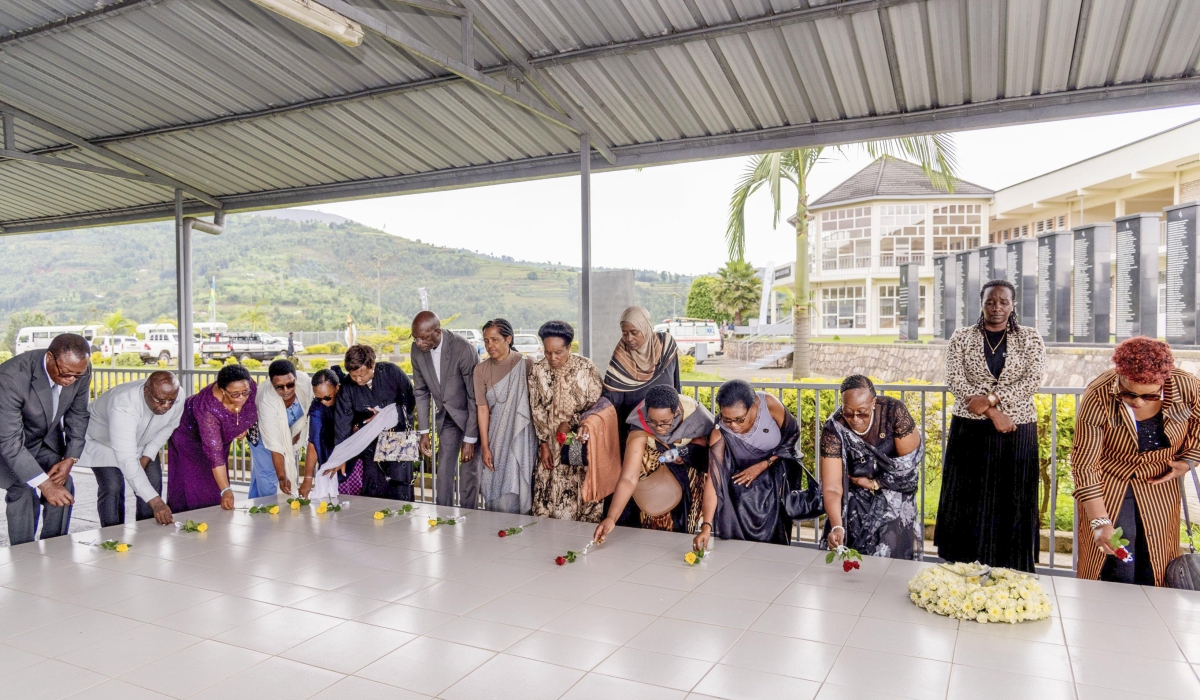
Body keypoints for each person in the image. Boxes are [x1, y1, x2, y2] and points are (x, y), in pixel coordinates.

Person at [935, 279, 1045, 572]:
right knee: (968, 496)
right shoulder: (961, 337)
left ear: (1013, 304)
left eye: (1003, 302)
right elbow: (956, 381)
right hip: (970, 429)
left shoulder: (1030, 338)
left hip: (1017, 429)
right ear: (981, 304)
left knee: (1012, 496)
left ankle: (1011, 567)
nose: (997, 307)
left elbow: (1032, 379)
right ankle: (962, 564)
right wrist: (994, 413)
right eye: (990, 302)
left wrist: (992, 399)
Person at [1072, 337, 1200, 586]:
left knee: (1156, 559)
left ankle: (1154, 622)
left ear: (1163, 381)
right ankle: (1107, 618)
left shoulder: (1185, 386)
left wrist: (1189, 459)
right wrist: (1100, 522)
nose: (1138, 402)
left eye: (1149, 396)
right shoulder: (1099, 394)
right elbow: (1085, 462)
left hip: (1160, 482)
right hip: (1110, 480)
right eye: (1128, 394)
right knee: (1116, 557)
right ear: (1120, 374)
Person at [0, 333, 90, 545]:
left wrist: (70, 458)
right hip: (7, 441)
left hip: (44, 440)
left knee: (63, 482)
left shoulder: (79, 370)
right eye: (65, 373)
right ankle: (25, 553)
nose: (70, 381)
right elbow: (10, 441)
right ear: (50, 357)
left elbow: (78, 415)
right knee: (23, 489)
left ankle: (55, 547)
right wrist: (45, 485)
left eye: (77, 376)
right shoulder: (10, 377)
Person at [594, 384, 714, 542]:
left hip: (690, 471)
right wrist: (611, 517)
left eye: (665, 422)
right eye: (652, 422)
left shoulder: (696, 416)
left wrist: (688, 452)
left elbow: (711, 452)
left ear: (676, 413)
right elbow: (629, 477)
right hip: (654, 475)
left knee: (681, 529)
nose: (659, 429)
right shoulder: (640, 422)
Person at [820, 375, 923, 559]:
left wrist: (875, 483)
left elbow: (908, 469)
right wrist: (837, 526)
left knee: (892, 563)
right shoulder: (834, 428)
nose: (855, 419)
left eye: (863, 412)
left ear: (873, 402)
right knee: (851, 562)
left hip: (894, 500)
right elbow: (832, 487)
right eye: (848, 412)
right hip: (854, 502)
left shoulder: (894, 413)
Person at [694, 380, 803, 549]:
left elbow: (792, 435)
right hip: (741, 480)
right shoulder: (719, 433)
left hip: (775, 468)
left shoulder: (769, 404)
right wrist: (706, 526)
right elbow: (713, 481)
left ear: (753, 406)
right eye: (727, 419)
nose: (734, 426)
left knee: (772, 512)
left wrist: (764, 464)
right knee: (738, 495)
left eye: (739, 419)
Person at [78, 371, 182, 527]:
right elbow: (127, 458)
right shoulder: (123, 405)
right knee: (113, 486)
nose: (166, 406)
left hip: (142, 442)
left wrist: (147, 456)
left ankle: (146, 533)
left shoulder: (176, 394)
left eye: (171, 401)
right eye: (160, 401)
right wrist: (157, 502)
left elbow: (170, 425)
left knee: (152, 482)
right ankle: (112, 536)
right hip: (103, 443)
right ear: (146, 391)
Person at [528, 320, 608, 521]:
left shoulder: (586, 368)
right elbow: (536, 410)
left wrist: (573, 422)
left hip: (579, 443)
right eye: (547, 352)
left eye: (558, 353)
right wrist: (544, 444)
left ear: (569, 348)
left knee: (578, 491)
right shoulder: (538, 371)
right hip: (551, 445)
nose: (552, 358)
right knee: (548, 497)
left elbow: (599, 406)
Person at [411, 311, 481, 507]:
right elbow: (421, 391)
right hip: (448, 418)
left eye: (423, 338)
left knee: (468, 474)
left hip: (471, 417)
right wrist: (424, 431)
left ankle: (471, 518)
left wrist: (470, 438)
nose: (419, 343)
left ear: (437, 332)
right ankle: (444, 517)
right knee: (443, 473)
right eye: (415, 337)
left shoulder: (463, 349)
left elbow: (474, 396)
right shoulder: (416, 350)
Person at [167, 364, 258, 513]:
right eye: (235, 394)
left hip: (219, 437)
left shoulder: (248, 386)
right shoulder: (207, 410)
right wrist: (226, 490)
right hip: (189, 436)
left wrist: (244, 425)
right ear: (222, 390)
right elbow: (215, 455)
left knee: (216, 483)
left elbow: (250, 409)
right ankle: (193, 519)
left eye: (245, 392)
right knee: (199, 484)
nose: (241, 397)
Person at [334, 345, 417, 500]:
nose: (358, 380)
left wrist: (386, 415)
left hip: (397, 438)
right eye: (354, 376)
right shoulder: (347, 385)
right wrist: (340, 455)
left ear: (372, 365)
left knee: (399, 491)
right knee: (373, 489)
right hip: (369, 442)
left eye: (362, 375)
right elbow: (342, 421)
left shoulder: (391, 372)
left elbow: (409, 400)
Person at [475, 318, 537, 514]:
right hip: (496, 436)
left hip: (522, 434)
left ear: (508, 339)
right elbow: (482, 409)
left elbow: (536, 404)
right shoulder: (480, 370)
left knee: (518, 481)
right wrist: (485, 446)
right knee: (495, 483)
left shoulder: (526, 364)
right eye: (486, 341)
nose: (489, 345)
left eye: (494, 340)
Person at [602, 306, 681, 445]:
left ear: (645, 328)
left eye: (634, 332)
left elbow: (676, 386)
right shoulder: (621, 357)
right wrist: (591, 417)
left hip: (666, 430)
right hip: (633, 432)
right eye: (624, 333)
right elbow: (610, 398)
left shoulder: (666, 346)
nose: (629, 338)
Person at [248, 360, 312, 499]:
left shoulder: (305, 383)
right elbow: (275, 444)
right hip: (262, 437)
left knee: (260, 473)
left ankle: (255, 508)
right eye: (279, 387)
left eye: (290, 384)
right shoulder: (266, 399)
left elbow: (308, 410)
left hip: (287, 432)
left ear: (296, 378)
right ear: (272, 384)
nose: (286, 390)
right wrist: (282, 476)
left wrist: (297, 430)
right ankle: (268, 512)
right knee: (268, 476)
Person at [302, 366, 354, 499]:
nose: (323, 402)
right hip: (329, 463)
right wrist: (308, 478)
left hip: (355, 460)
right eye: (318, 398)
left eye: (327, 397)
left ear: (338, 388)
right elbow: (314, 441)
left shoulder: (349, 398)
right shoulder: (317, 409)